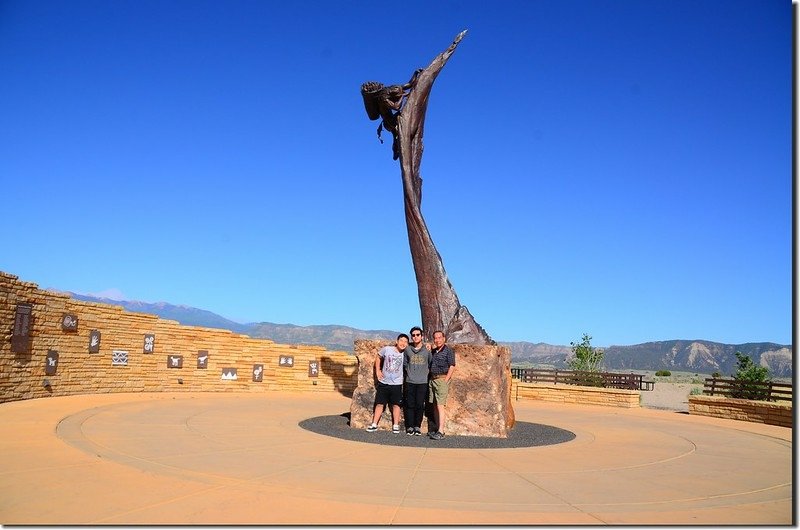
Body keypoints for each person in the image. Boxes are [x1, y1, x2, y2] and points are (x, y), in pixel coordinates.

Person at [365, 334, 408, 434]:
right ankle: (374, 424)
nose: (403, 343)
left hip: (397, 383)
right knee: (380, 404)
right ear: (397, 341)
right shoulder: (387, 349)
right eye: (401, 340)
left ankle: (396, 425)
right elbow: (378, 357)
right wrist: (378, 371)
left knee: (396, 405)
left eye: (405, 342)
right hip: (384, 382)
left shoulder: (406, 353)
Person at [403, 326, 431, 436]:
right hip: (410, 381)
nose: (415, 337)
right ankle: (410, 426)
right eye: (413, 335)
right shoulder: (407, 349)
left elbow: (430, 363)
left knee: (419, 405)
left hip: (422, 382)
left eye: (417, 335)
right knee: (410, 404)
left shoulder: (427, 350)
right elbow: (405, 363)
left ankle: (417, 426)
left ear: (422, 336)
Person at [428, 330, 455, 440]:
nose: (437, 340)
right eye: (435, 338)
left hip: (442, 380)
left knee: (440, 406)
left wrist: (446, 380)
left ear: (444, 338)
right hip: (432, 380)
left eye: (439, 337)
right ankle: (437, 429)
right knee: (434, 405)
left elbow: (452, 366)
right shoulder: (434, 351)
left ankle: (441, 431)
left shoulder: (448, 351)